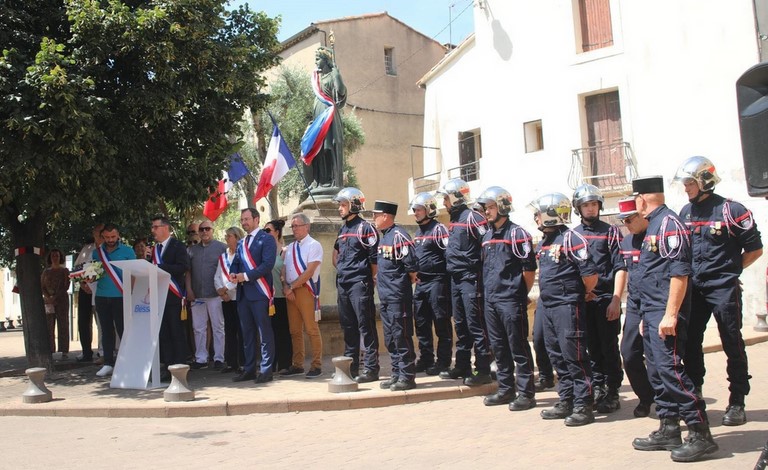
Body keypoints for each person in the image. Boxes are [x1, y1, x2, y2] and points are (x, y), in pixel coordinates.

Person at [629, 176, 717, 462]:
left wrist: (669, 314)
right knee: (656, 371)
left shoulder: (669, 224)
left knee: (673, 371)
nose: (636, 204)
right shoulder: (653, 224)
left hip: (666, 313)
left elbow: (680, 273)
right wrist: (645, 315)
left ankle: (700, 433)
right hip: (652, 312)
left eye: (636, 199)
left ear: (642, 198)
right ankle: (669, 427)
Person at [674, 156, 763, 426]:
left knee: (732, 343)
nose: (686, 188)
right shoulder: (685, 213)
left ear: (704, 181)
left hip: (723, 289)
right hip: (695, 289)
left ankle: (737, 400)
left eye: (690, 182)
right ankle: (695, 396)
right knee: (689, 343)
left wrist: (731, 272)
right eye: (685, 183)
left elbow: (755, 250)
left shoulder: (732, 210)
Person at [530, 193, 597, 426]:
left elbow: (590, 276)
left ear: (550, 214)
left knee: (574, 355)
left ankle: (583, 405)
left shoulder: (571, 238)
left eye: (538, 213)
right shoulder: (544, 242)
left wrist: (579, 294)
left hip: (566, 306)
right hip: (548, 306)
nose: (535, 217)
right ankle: (566, 399)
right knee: (556, 354)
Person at [476, 187, 538, 410]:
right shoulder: (487, 235)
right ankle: (505, 389)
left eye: (491, 207)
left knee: (518, 346)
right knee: (499, 347)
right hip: (491, 300)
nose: (487, 212)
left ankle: (526, 393)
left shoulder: (517, 233)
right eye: (485, 208)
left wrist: (520, 293)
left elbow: (528, 269)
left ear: (502, 206)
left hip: (510, 300)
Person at [571, 184, 625, 413]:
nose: (590, 209)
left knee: (608, 347)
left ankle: (612, 391)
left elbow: (621, 267)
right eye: (585, 205)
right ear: (578, 208)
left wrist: (616, 300)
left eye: (594, 204)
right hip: (584, 301)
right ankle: (598, 387)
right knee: (589, 348)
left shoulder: (611, 231)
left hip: (605, 298)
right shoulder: (572, 235)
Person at [436, 178, 493, 386]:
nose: (444, 203)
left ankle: (483, 369)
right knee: (460, 324)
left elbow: (486, 246)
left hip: (470, 278)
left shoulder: (473, 218)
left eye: (445, 198)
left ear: (455, 197)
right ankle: (462, 365)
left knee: (475, 324)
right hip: (456, 278)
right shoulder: (455, 219)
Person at [370, 200, 419, 391]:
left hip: (398, 297)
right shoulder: (384, 237)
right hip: (386, 297)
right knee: (390, 337)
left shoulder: (399, 235)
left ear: (385, 216)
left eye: (376, 215)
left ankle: (407, 376)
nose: (373, 218)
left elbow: (412, 267)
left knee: (402, 335)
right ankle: (397, 373)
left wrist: (399, 284)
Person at [332, 187, 380, 382]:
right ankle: (350, 368)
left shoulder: (366, 228)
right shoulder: (343, 229)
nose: (340, 209)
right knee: (348, 326)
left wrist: (367, 278)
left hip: (359, 283)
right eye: (340, 205)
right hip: (343, 283)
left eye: (343, 205)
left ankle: (371, 369)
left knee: (365, 325)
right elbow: (336, 253)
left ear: (354, 205)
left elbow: (374, 260)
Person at [616, 197, 655, 418]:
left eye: (630, 219)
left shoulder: (656, 236)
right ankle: (645, 397)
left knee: (657, 358)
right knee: (629, 353)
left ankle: (667, 400)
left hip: (655, 303)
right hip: (635, 304)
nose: (627, 225)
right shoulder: (627, 242)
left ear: (642, 215)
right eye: (624, 221)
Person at [229, 208, 277, 384]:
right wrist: (234, 274)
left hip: (259, 293)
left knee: (264, 332)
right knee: (246, 333)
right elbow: (235, 263)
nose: (244, 222)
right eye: (242, 220)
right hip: (243, 295)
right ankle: (249, 369)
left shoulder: (267, 239)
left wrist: (245, 276)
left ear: (256, 219)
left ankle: (266, 370)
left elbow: (267, 265)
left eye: (247, 219)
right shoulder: (241, 243)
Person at [410, 192, 453, 376]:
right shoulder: (419, 232)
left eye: (418, 209)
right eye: (414, 210)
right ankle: (426, 358)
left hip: (437, 282)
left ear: (429, 209)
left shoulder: (439, 230)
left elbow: (448, 255)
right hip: (421, 283)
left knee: (441, 322)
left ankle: (443, 362)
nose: (415, 213)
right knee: (421, 322)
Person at [281, 213, 324, 379]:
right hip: (291, 292)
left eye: (297, 226)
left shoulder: (314, 245)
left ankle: (316, 364)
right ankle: (297, 364)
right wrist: (286, 287)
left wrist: (291, 287)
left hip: (305, 290)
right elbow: (284, 269)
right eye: (292, 226)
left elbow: (310, 271)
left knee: (311, 329)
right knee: (294, 330)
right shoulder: (290, 247)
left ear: (307, 226)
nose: (294, 229)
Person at [92, 223, 136, 377]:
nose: (110, 240)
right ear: (103, 236)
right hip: (102, 296)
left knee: (123, 330)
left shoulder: (128, 251)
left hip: (121, 296)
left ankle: (127, 362)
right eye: (107, 237)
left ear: (118, 235)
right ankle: (108, 363)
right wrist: (87, 277)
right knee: (106, 331)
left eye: (113, 237)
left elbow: (134, 274)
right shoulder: (97, 253)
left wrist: (131, 293)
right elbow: (95, 274)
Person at [150, 216, 190, 374]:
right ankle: (167, 366)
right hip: (159, 296)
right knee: (164, 333)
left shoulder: (178, 246)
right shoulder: (155, 248)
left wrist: (160, 267)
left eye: (155, 227)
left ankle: (180, 366)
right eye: (152, 227)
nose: (153, 230)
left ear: (165, 228)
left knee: (176, 331)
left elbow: (183, 267)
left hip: (174, 296)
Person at [185, 219, 227, 370]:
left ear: (212, 230)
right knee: (198, 328)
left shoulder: (222, 248)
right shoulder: (191, 250)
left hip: (216, 295)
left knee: (218, 327)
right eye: (201, 230)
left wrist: (224, 290)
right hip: (197, 296)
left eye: (207, 229)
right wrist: (189, 290)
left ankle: (219, 358)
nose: (204, 232)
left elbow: (227, 270)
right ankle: (201, 358)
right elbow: (188, 272)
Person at [308, 46, 347, 189]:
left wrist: (336, 72)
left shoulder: (332, 75)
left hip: (329, 116)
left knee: (328, 147)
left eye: (318, 59)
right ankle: (318, 181)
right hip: (318, 117)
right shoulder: (316, 78)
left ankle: (332, 180)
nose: (316, 62)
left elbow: (341, 91)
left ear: (326, 60)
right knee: (316, 149)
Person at [215, 226, 246, 373]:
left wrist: (226, 289)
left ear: (237, 237)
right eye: (226, 236)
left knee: (241, 330)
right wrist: (221, 292)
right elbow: (217, 276)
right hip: (225, 299)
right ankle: (231, 362)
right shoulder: (223, 256)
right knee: (229, 330)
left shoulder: (242, 255)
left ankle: (242, 362)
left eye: (229, 236)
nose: (226, 239)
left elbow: (239, 277)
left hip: (238, 297)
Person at [264, 219, 292, 374]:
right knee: (268, 331)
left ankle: (284, 363)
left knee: (282, 330)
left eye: (268, 230)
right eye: (264, 231)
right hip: (266, 298)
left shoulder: (285, 251)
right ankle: (270, 363)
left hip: (281, 297)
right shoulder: (262, 250)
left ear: (277, 232)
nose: (265, 233)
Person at [73, 223, 104, 362]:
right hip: (85, 289)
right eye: (96, 231)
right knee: (83, 321)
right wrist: (82, 283)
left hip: (100, 289)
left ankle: (103, 351)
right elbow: (77, 268)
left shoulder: (107, 248)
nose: (97, 233)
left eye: (100, 231)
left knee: (102, 322)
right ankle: (86, 351)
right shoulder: (87, 248)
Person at [41, 248, 70, 359]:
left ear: (60, 257)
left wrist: (56, 297)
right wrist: (48, 297)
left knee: (63, 324)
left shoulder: (64, 271)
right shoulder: (46, 272)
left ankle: (64, 351)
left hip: (62, 300)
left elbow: (66, 286)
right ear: (50, 258)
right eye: (53, 256)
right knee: (49, 326)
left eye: (57, 255)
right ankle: (51, 350)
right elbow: (42, 287)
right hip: (48, 302)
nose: (55, 258)